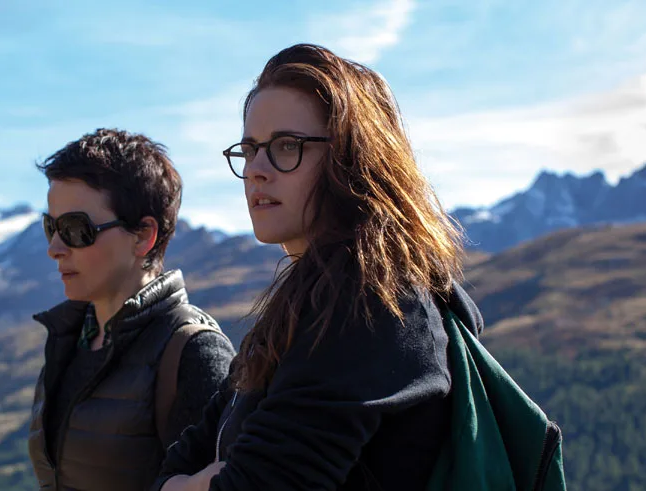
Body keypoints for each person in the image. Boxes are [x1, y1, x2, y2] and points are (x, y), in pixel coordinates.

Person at [152, 43, 486, 491]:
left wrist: (194, 483)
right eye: (249, 149)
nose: (256, 170)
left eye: (286, 146)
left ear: (353, 159)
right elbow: (173, 465)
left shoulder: (374, 308)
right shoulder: (300, 309)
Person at [27, 128, 236, 491]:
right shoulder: (69, 338)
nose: (55, 248)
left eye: (75, 229)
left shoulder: (194, 352)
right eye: (51, 227)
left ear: (142, 236)